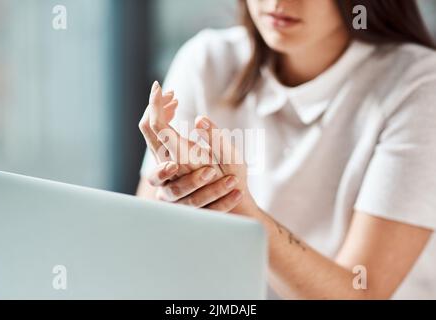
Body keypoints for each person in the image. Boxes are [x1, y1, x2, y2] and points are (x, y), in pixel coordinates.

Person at [136, 0, 436, 299]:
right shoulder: (206, 60)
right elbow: (146, 243)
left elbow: (360, 294)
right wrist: (179, 189)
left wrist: (234, 203)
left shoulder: (419, 84)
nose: (278, 3)